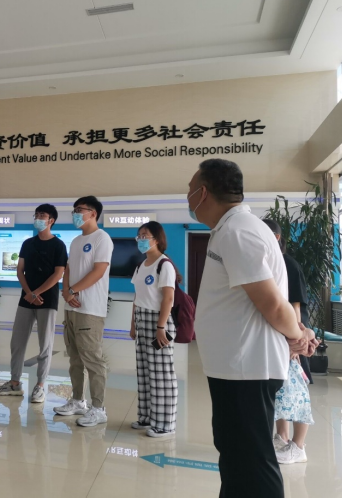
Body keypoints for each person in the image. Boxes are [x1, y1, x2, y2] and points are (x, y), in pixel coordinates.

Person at [187, 159, 316, 498]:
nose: (187, 197)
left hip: (246, 368)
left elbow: (272, 303)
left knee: (251, 462)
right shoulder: (232, 229)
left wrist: (297, 335)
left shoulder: (238, 231)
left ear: (203, 193)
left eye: (190, 190)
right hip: (237, 367)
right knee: (237, 457)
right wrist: (297, 332)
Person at [0, 204, 67, 403]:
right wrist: (29, 293)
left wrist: (36, 293)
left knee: (45, 344)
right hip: (26, 299)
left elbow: (58, 274)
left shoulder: (59, 245)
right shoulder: (28, 243)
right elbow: (20, 270)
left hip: (47, 299)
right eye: (36, 215)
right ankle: (14, 383)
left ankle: (40, 386)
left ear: (51, 220)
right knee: (17, 342)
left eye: (42, 215)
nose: (38, 218)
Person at [54, 196, 114, 427]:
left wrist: (73, 290)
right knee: (75, 358)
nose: (75, 214)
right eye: (74, 210)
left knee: (93, 360)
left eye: (80, 210)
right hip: (71, 306)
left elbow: (99, 271)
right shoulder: (76, 241)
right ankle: (78, 401)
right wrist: (66, 291)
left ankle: (98, 408)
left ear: (93, 213)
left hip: (90, 309)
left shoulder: (102, 238)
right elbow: (68, 269)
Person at [262, 219, 315, 465]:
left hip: (294, 334)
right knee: (281, 390)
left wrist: (294, 340)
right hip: (280, 334)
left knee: (298, 391)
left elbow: (295, 306)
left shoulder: (288, 264)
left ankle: (298, 446)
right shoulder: (268, 263)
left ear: (276, 237)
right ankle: (282, 438)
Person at [129, 221, 178, 439]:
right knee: (145, 372)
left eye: (145, 236)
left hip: (159, 322)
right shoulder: (141, 266)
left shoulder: (164, 264)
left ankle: (165, 424)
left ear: (156, 239)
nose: (140, 240)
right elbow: (137, 297)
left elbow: (168, 298)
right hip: (142, 321)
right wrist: (133, 324)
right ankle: (147, 417)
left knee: (162, 375)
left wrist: (160, 327)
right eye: (139, 236)